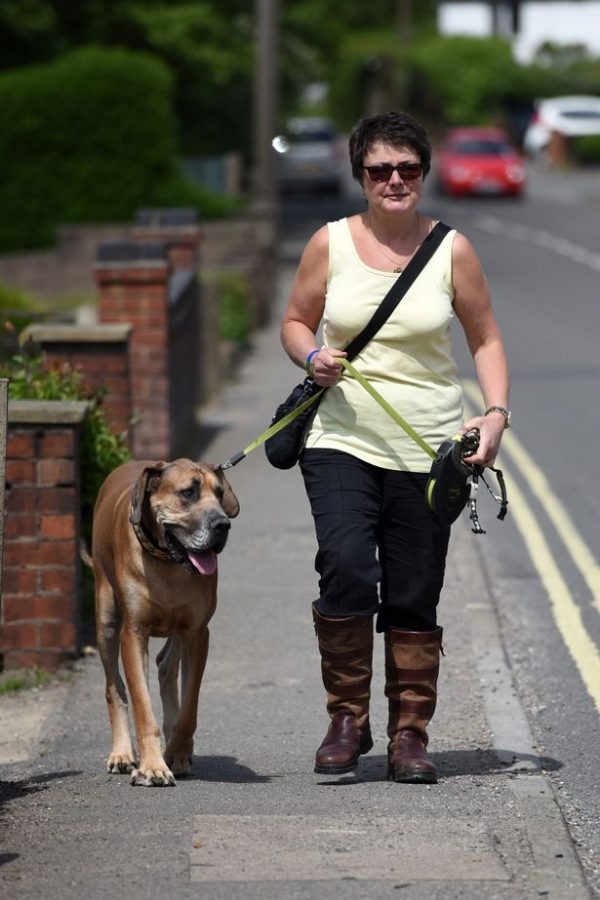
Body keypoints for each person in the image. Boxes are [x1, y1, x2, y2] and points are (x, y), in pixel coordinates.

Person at [279, 111, 511, 784]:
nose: (394, 180)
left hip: (429, 446)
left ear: (423, 174)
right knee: (347, 566)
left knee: (414, 590)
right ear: (360, 176)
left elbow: (486, 337)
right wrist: (313, 355)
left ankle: (410, 734)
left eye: (408, 168)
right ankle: (346, 719)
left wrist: (493, 415)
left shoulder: (452, 251)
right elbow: (295, 321)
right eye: (380, 169)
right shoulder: (330, 244)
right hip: (341, 438)